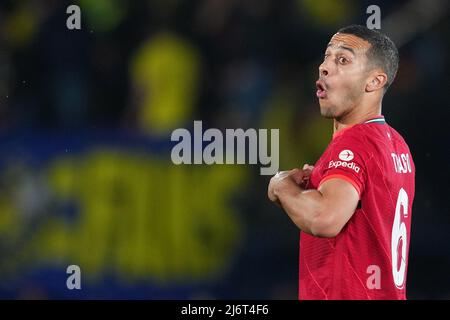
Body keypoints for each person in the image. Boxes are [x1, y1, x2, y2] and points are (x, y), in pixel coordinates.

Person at [268, 25, 415, 300]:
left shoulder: (355, 143)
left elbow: (324, 219)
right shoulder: (397, 145)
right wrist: (319, 183)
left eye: (343, 60)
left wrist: (280, 185)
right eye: (327, 57)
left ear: (374, 82)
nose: (324, 67)